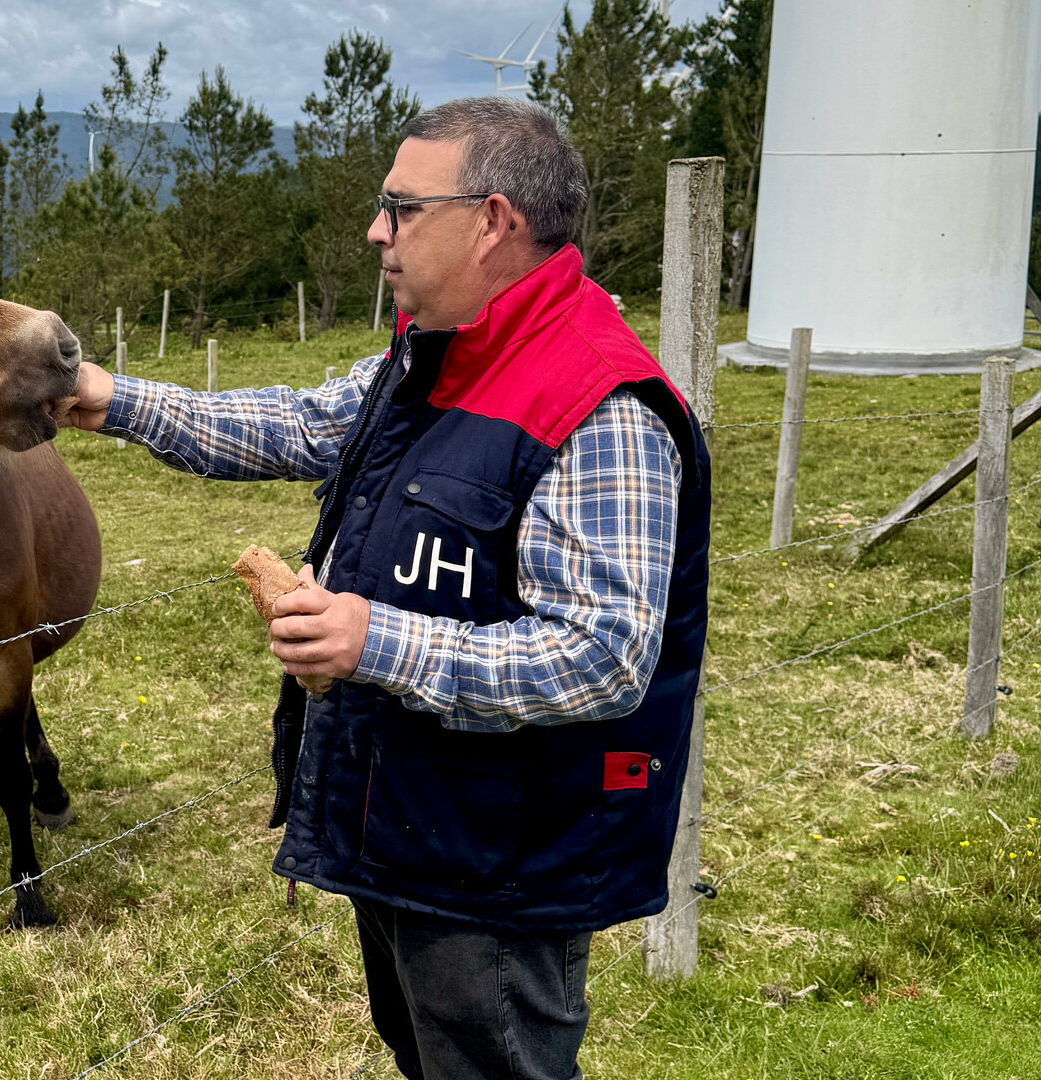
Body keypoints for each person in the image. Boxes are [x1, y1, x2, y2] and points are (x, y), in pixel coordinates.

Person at [61, 96, 711, 1080]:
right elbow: (294, 425)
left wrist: (374, 642)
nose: (376, 230)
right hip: (414, 821)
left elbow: (602, 659)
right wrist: (105, 399)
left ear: (495, 220)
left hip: (499, 861)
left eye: (401, 207)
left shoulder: (595, 405)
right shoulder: (433, 359)